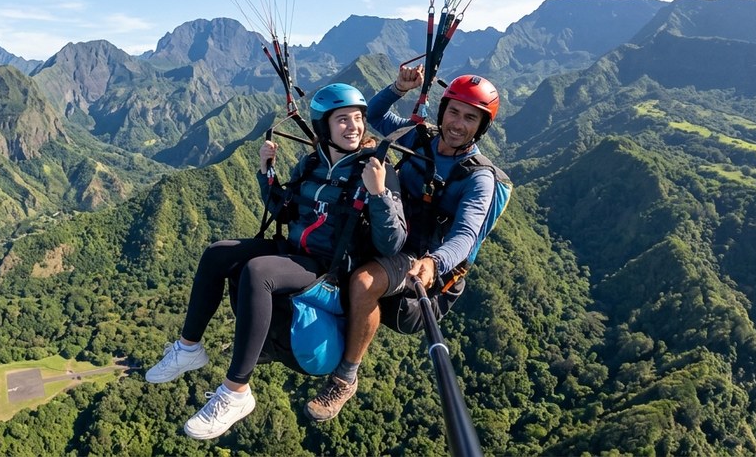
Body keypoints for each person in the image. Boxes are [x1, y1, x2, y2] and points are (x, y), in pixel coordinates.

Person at [144, 83, 408, 440]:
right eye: (343, 119)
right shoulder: (312, 164)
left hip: (330, 269)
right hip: (295, 253)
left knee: (259, 271)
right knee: (218, 253)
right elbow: (284, 212)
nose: (354, 127)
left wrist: (378, 194)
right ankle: (189, 348)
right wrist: (266, 172)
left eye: (358, 118)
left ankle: (236, 392)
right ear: (324, 127)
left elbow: (391, 243)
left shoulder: (377, 169)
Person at [303, 66, 504, 422]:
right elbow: (375, 116)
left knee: (364, 282)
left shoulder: (478, 178)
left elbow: (466, 234)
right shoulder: (420, 139)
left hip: (416, 253)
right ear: (442, 111)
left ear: (482, 126)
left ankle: (345, 378)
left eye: (470, 118)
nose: (458, 124)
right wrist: (398, 87)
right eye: (454, 112)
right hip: (384, 229)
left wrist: (435, 263)